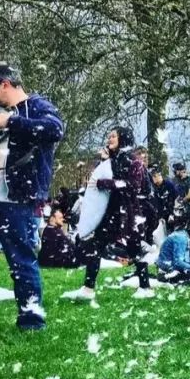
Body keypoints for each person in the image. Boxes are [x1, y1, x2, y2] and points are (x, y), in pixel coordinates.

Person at [0, 62, 63, 333]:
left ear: (5, 84)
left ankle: (31, 320)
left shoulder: (39, 107)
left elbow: (54, 131)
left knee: (21, 260)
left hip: (17, 199)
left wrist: (11, 121)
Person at [65, 127, 154, 301]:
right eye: (109, 136)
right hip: (113, 212)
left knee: (134, 248)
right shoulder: (114, 160)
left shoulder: (133, 161)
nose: (109, 139)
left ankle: (145, 287)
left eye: (113, 136)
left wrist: (104, 183)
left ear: (123, 138)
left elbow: (132, 186)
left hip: (128, 213)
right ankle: (88, 288)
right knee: (96, 246)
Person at [155, 215, 190, 284]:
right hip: (168, 268)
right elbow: (178, 262)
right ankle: (166, 276)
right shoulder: (181, 237)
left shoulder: (184, 235)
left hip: (171, 265)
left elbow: (188, 258)